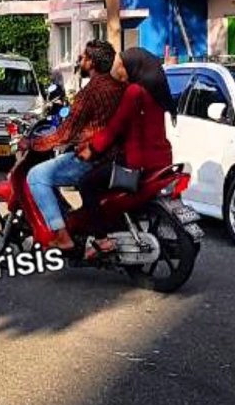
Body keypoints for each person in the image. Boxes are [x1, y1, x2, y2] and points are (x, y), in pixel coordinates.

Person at [21, 40, 126, 252]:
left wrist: (32, 143)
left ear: (92, 63)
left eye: (84, 57)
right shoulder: (121, 88)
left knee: (36, 176)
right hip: (117, 156)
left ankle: (61, 235)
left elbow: (65, 133)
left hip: (92, 158)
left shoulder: (89, 93)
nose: (81, 61)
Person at [77, 48, 176, 253]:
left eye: (122, 67)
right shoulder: (158, 92)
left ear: (135, 67)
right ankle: (119, 227)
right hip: (162, 161)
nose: (120, 72)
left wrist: (92, 149)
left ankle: (101, 239)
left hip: (138, 164)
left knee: (86, 183)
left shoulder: (134, 92)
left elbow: (115, 127)